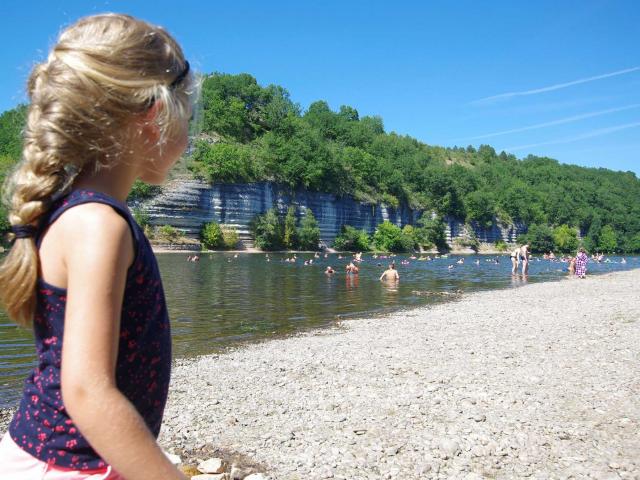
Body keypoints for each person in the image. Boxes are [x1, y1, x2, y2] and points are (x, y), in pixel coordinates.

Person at [0, 14, 195, 480]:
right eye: (189, 114)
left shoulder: (89, 214)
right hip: (67, 466)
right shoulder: (96, 224)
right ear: (154, 116)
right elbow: (87, 392)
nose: (188, 138)